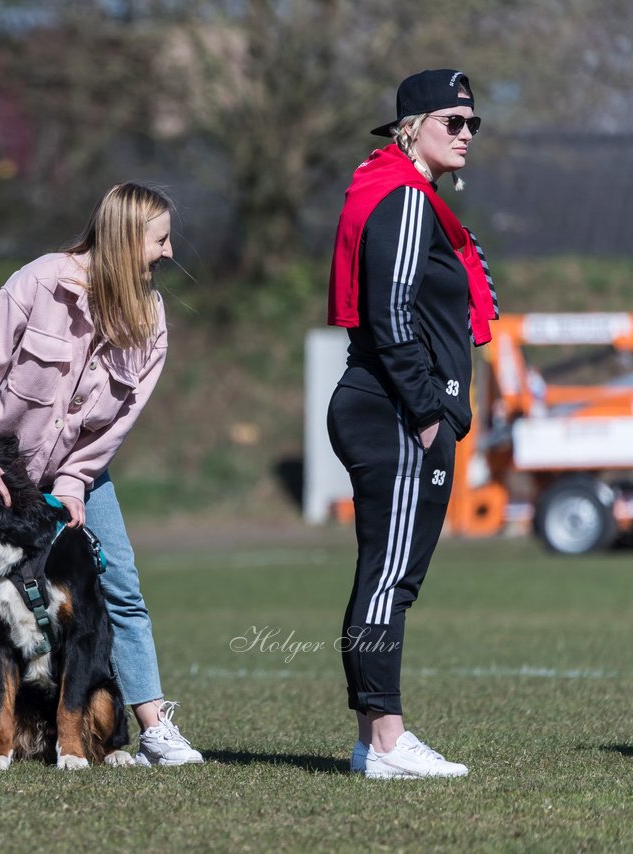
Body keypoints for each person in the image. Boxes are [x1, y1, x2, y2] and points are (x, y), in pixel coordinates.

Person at [0, 182, 204, 768]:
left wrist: (76, 480)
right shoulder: (38, 282)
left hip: (75, 478)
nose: (167, 252)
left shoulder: (152, 316)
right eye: (159, 240)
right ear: (124, 237)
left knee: (123, 591)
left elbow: (120, 420)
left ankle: (155, 729)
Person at [326, 69, 498, 779]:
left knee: (389, 572)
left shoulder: (408, 193)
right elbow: (392, 313)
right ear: (411, 126)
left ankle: (377, 741)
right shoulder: (402, 198)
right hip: (394, 409)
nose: (464, 133)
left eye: (472, 124)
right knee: (389, 575)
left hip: (397, 406)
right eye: (451, 121)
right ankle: (388, 742)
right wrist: (429, 411)